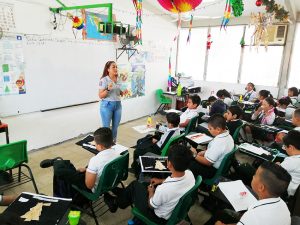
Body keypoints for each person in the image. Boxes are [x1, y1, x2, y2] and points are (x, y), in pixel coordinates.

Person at [104, 144, 195, 224]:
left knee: (135, 185)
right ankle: (124, 194)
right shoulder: (190, 174)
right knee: (141, 185)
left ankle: (115, 203)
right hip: (173, 208)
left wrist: (151, 192)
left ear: (169, 164)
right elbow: (173, 182)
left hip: (158, 217)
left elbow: (151, 205)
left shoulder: (164, 190)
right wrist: (161, 180)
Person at [204, 161, 291, 225]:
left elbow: (251, 219)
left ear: (261, 187)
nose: (253, 176)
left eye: (255, 175)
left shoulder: (255, 216)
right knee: (222, 213)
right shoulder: (282, 204)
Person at [40, 127, 120, 196]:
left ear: (99, 146)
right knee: (72, 169)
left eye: (95, 143)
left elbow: (89, 186)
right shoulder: (118, 153)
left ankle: (56, 161)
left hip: (95, 187)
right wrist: (87, 170)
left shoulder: (95, 160)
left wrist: (88, 172)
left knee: (60, 171)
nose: (94, 145)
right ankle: (64, 163)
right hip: (108, 182)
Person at [189, 114, 234, 179]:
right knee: (192, 152)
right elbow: (216, 151)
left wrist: (194, 155)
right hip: (216, 163)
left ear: (218, 129)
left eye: (210, 128)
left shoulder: (219, 143)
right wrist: (204, 152)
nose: (208, 130)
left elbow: (208, 162)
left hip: (211, 170)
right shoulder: (228, 136)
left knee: (185, 160)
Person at [98, 61, 123, 141]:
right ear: (108, 69)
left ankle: (113, 143)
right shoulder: (104, 80)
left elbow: (118, 92)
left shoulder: (118, 79)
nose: (116, 68)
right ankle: (106, 145)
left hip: (118, 105)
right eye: (113, 67)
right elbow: (100, 95)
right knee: (106, 129)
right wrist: (108, 89)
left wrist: (122, 92)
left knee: (115, 127)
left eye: (116, 67)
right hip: (107, 106)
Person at [278, 130, 300, 196]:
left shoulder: (292, 161)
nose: (285, 148)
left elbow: (276, 173)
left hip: (288, 194)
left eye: (285, 146)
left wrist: (277, 167)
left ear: (291, 147)